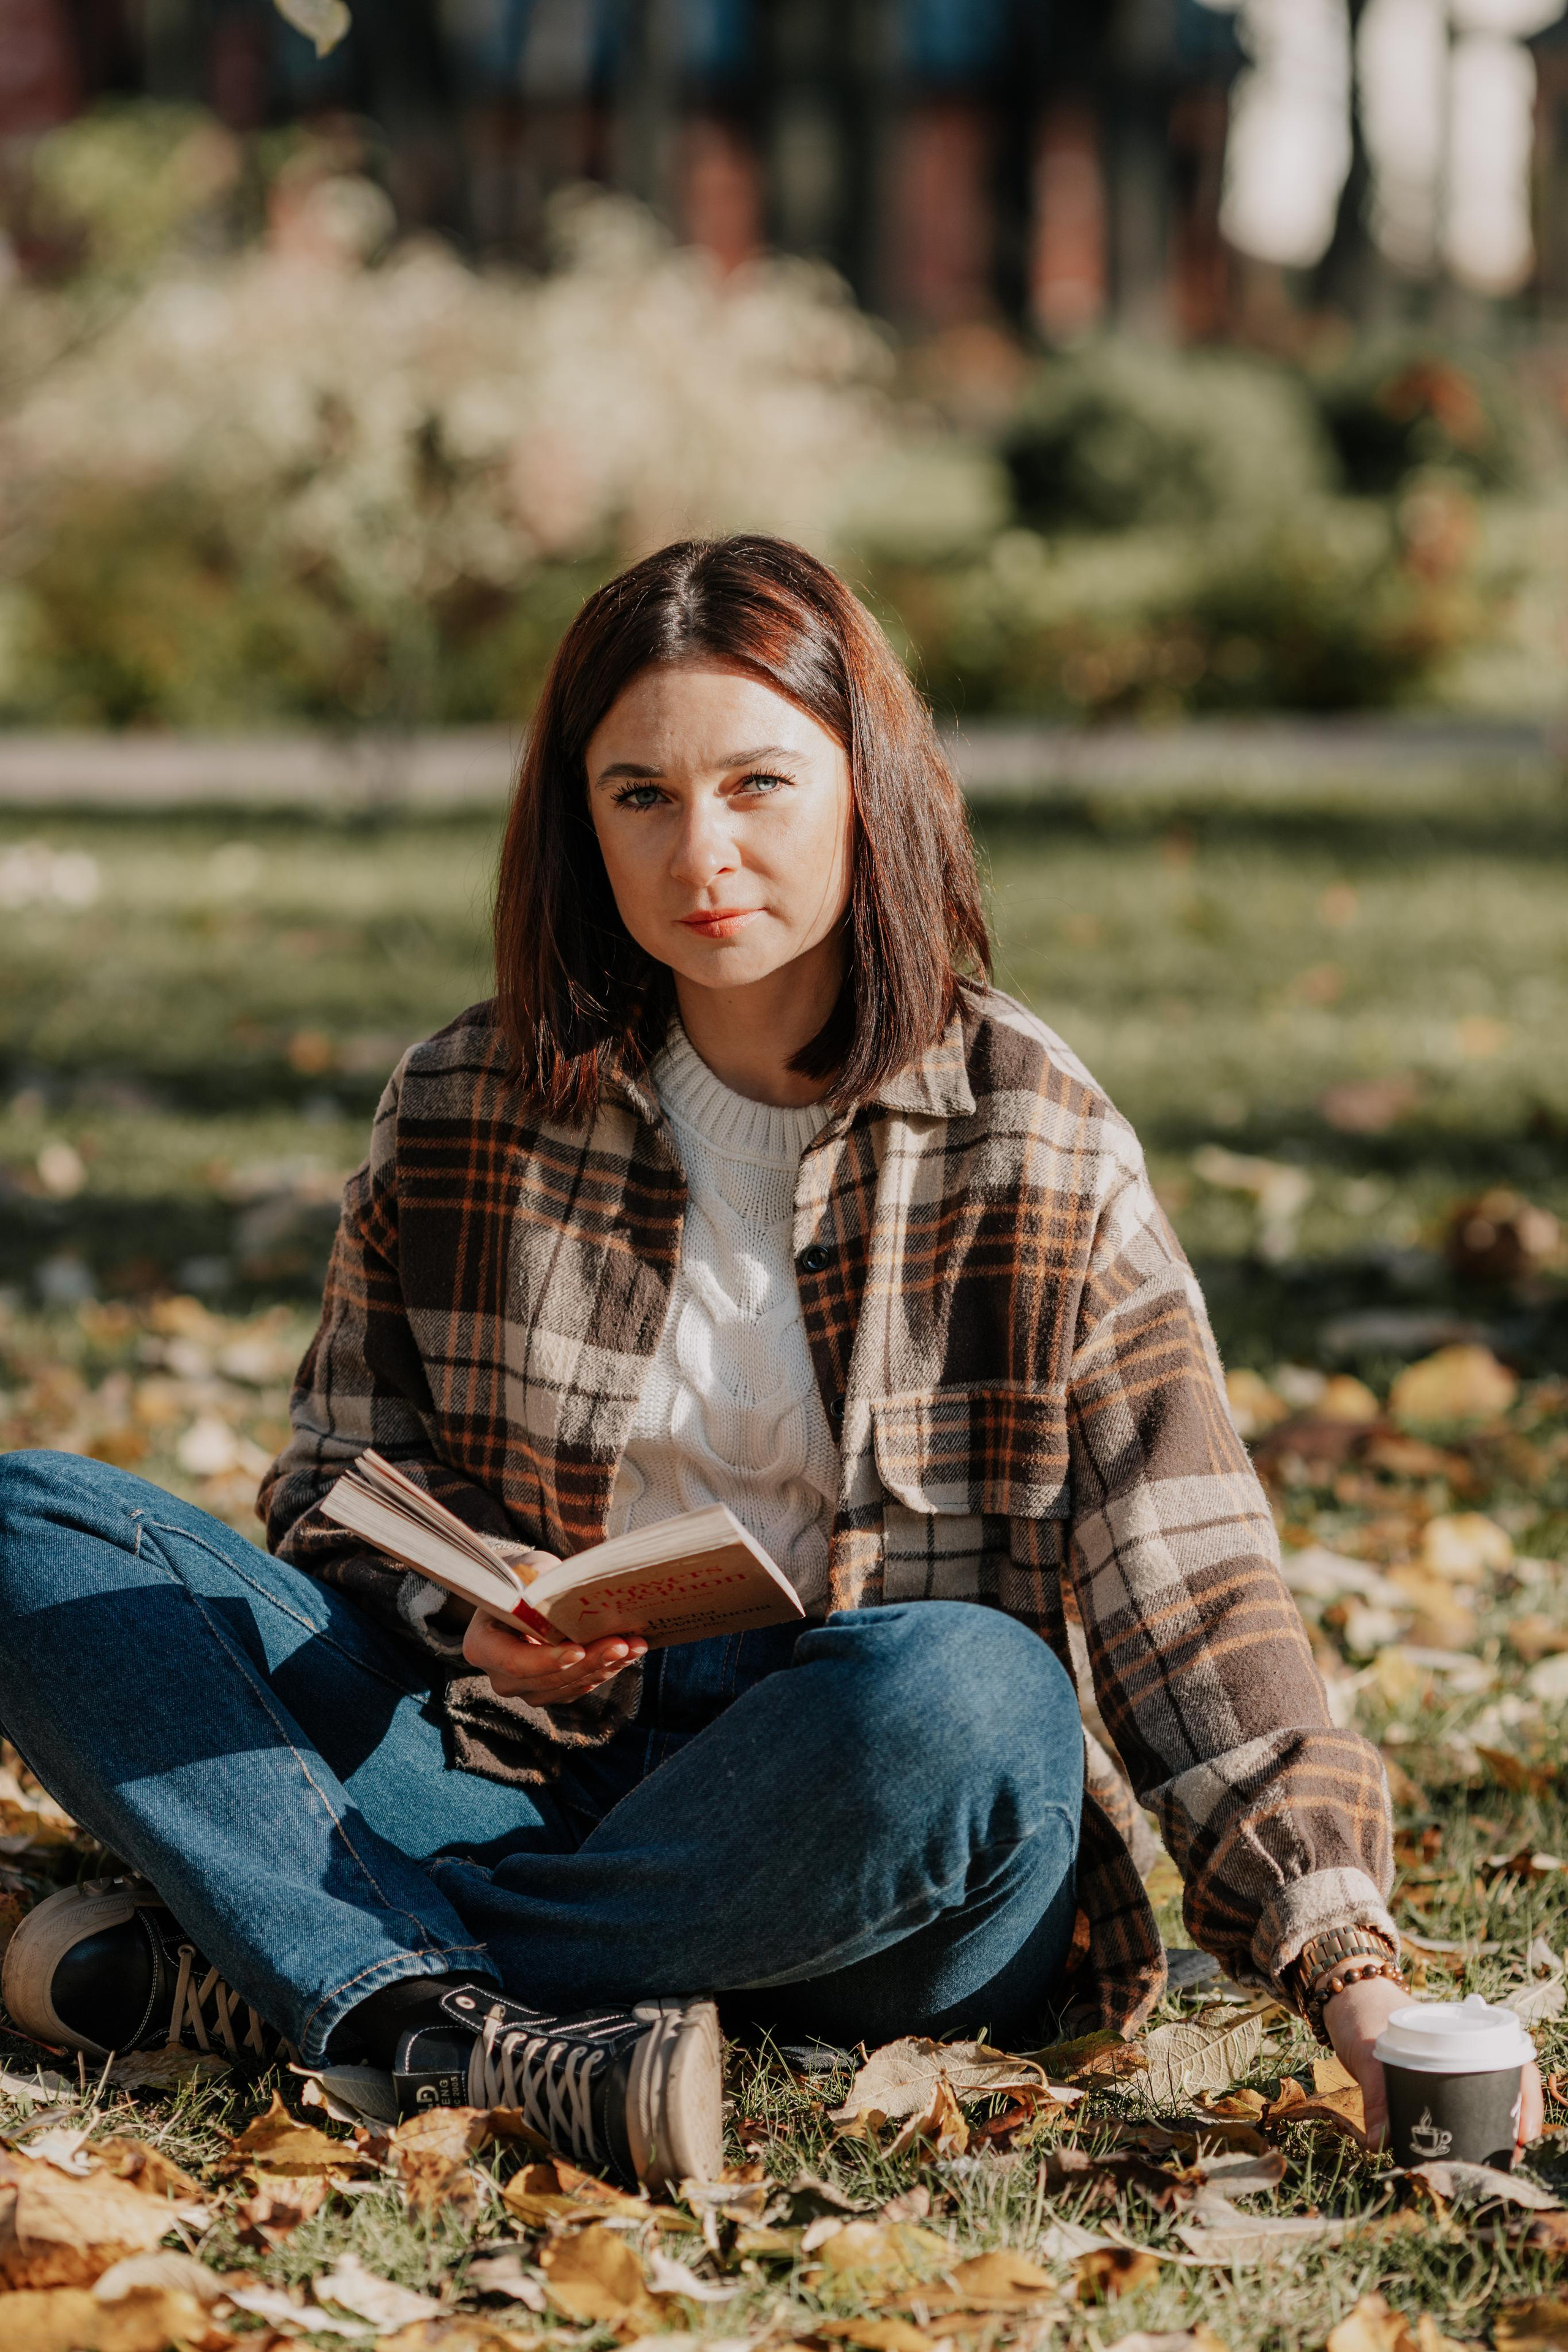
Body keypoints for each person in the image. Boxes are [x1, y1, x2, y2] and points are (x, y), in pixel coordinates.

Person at [0, 535, 1535, 2190]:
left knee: (970, 1696)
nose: (702, 850)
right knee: (39, 1523)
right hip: (508, 1769)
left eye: (757, 782)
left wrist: (1355, 1988)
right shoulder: (466, 1102)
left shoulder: (1033, 1135)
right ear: (579, 823)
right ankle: (430, 2021)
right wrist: (478, 1599)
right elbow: (329, 1490)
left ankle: (291, 1955)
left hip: (864, 1833)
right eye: (640, 795)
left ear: (867, 785)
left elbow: (1193, 1593)